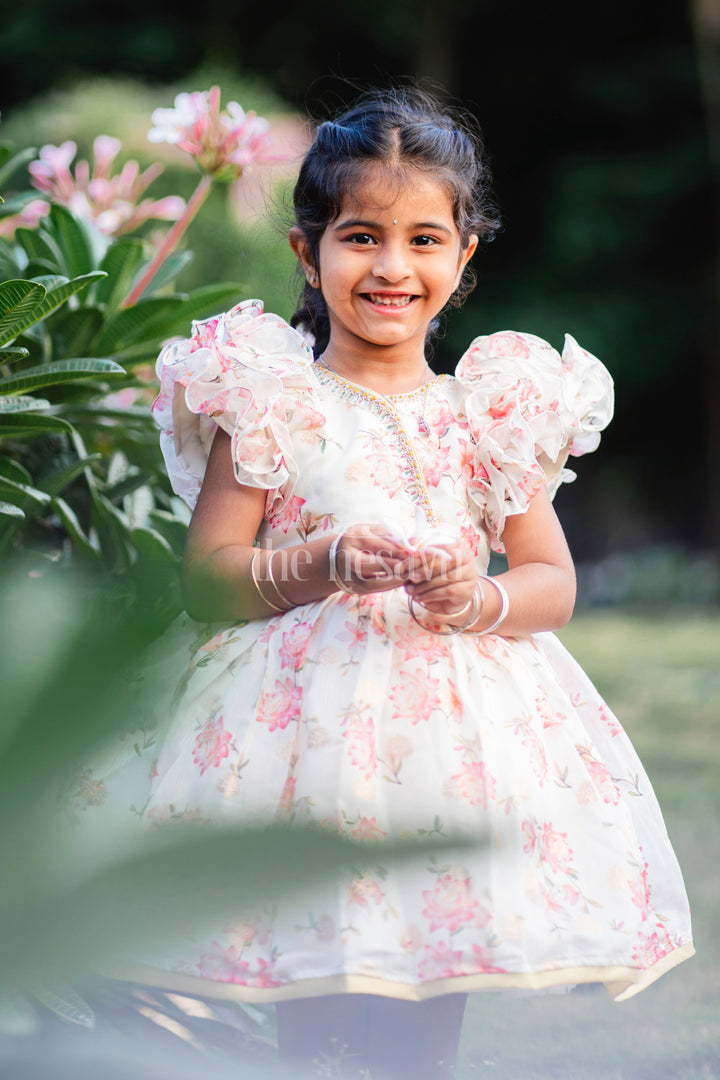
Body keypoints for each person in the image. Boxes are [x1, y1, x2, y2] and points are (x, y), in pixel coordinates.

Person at [142, 89, 693, 1078]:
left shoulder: (492, 412)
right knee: (317, 996)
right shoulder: (269, 401)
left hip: (447, 758)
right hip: (297, 750)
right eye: (361, 236)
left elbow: (549, 581)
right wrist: (315, 562)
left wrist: (478, 599)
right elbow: (208, 582)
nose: (392, 267)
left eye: (424, 239)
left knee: (425, 1002)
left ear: (464, 255)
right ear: (308, 252)